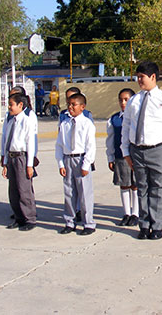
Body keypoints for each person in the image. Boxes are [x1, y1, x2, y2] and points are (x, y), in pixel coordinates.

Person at [121, 61, 162, 240]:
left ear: (153, 77)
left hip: (158, 150)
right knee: (142, 189)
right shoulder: (134, 100)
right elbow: (126, 126)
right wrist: (125, 151)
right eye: (137, 77)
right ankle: (144, 225)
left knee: (158, 189)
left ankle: (157, 226)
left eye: (142, 77)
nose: (139, 80)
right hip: (137, 150)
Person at [56, 93, 97, 235]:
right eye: (69, 104)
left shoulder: (87, 124)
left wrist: (86, 165)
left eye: (74, 104)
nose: (70, 107)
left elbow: (90, 146)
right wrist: (61, 163)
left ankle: (88, 223)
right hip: (68, 159)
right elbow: (59, 145)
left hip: (81, 160)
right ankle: (70, 221)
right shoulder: (65, 124)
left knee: (84, 193)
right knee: (69, 192)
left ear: (82, 107)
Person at [2, 93, 37, 231]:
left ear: (20, 105)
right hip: (11, 157)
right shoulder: (11, 122)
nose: (9, 107)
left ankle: (30, 219)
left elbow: (30, 144)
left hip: (22, 157)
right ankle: (19, 217)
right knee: (13, 191)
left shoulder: (26, 121)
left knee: (24, 190)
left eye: (11, 104)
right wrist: (5, 162)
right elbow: (7, 143)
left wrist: (30, 165)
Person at [107, 88, 139, 227]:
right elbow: (110, 140)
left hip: (136, 156)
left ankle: (136, 213)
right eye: (121, 99)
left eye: (126, 99)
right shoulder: (114, 119)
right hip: (121, 157)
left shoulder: (137, 118)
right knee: (124, 184)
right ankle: (126, 213)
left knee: (135, 185)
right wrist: (110, 157)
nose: (123, 102)